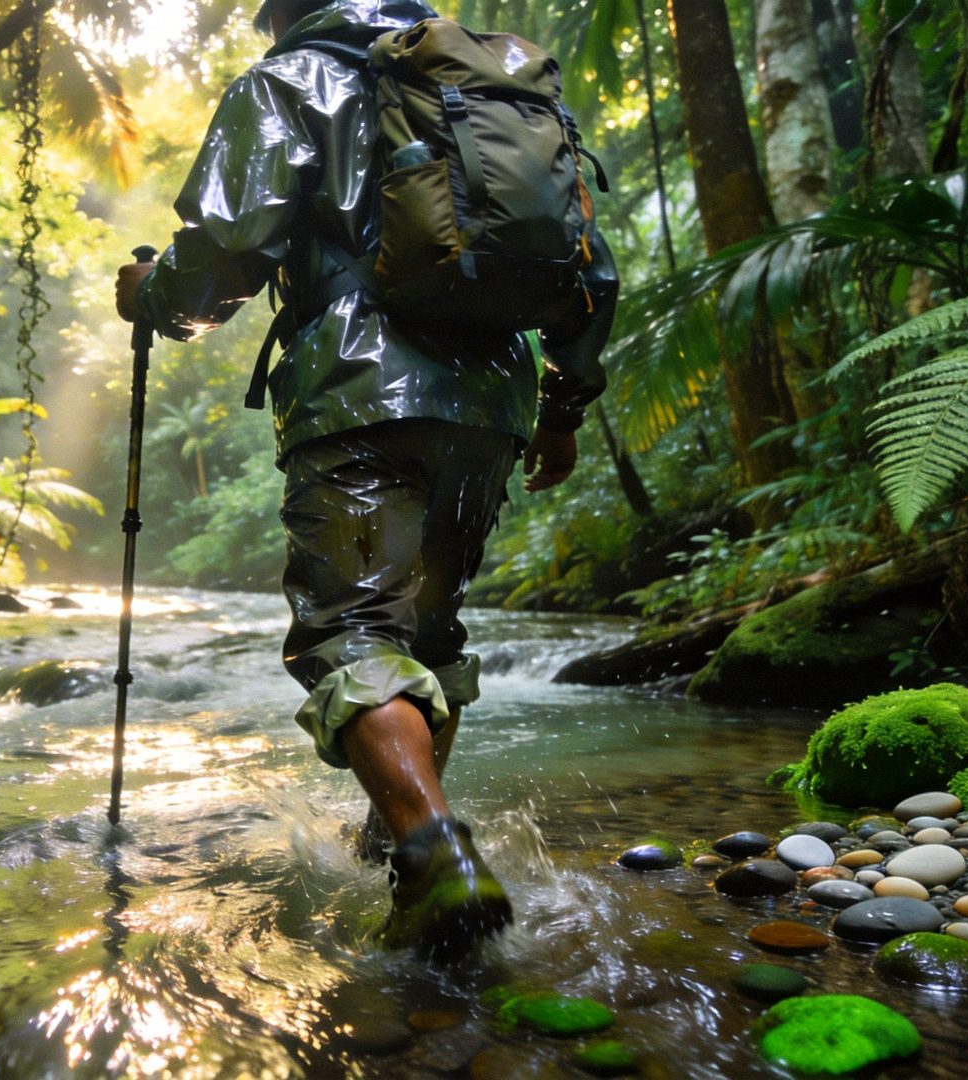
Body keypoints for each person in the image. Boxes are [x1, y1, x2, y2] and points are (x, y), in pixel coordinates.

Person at [114, 0, 617, 958]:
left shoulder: (288, 80)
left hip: (357, 397)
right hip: (490, 409)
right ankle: (407, 868)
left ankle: (432, 847)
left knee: (354, 635)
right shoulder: (494, 91)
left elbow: (224, 256)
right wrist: (562, 412)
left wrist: (155, 299)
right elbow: (591, 268)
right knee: (427, 637)